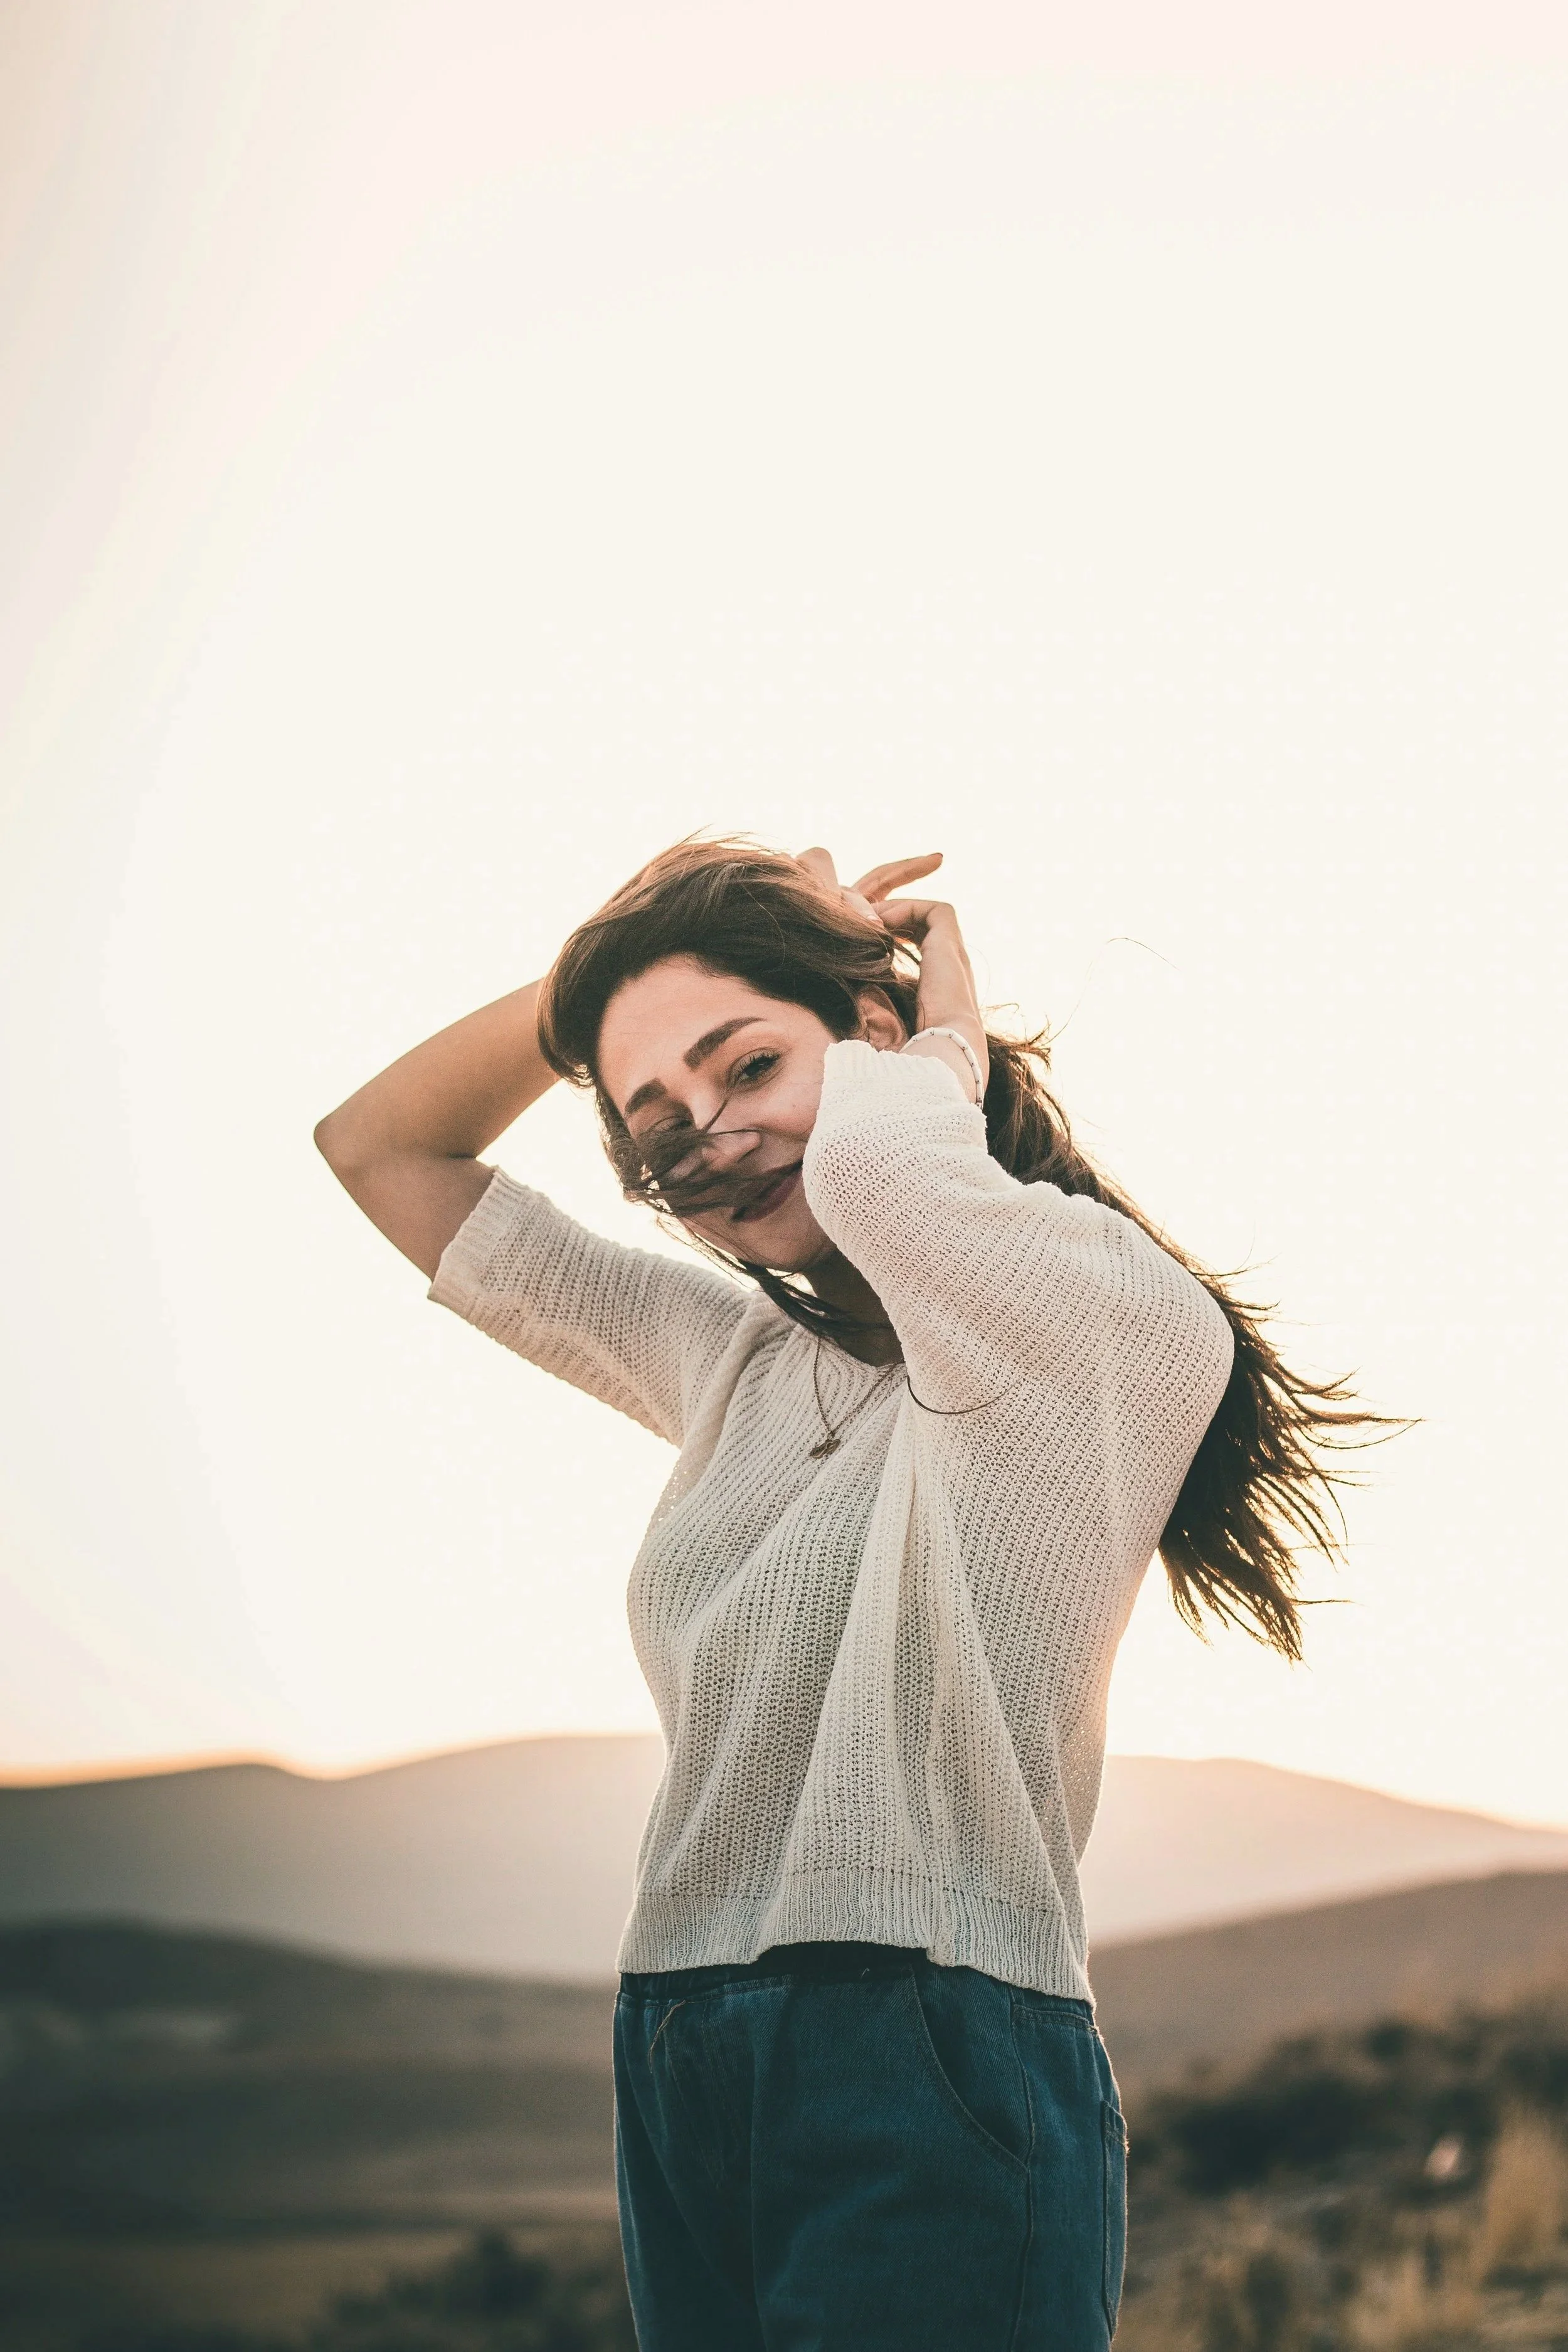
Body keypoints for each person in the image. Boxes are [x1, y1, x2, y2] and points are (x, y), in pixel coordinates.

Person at [315, 839, 1379, 2351]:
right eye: (653, 1123)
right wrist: (585, 990)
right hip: (677, 2036)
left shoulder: (1111, 1314)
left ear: (883, 1046)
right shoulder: (728, 1361)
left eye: (745, 1065)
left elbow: (880, 1174)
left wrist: (935, 1042)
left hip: (933, 2039)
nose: (706, 1139)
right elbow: (382, 1150)